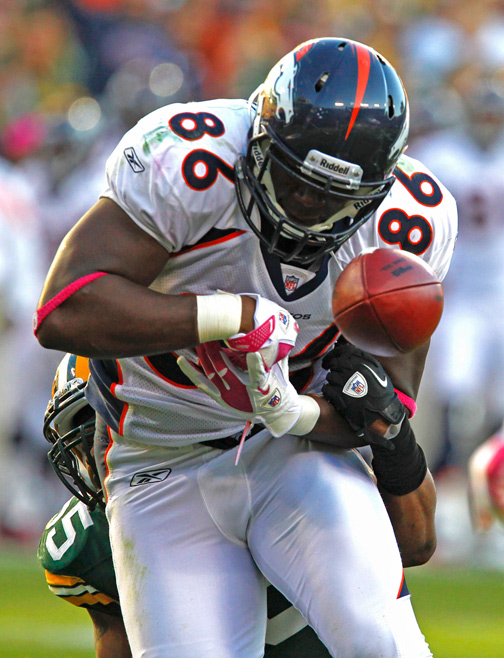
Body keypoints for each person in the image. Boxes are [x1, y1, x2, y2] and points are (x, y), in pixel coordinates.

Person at [35, 37, 458, 657]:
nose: (307, 207)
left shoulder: (409, 224)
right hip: (159, 459)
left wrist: (295, 411)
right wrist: (227, 316)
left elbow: (382, 408)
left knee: (383, 643)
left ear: (377, 192)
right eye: (294, 179)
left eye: (333, 196)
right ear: (258, 137)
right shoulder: (190, 159)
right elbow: (64, 308)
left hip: (295, 452)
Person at [39, 354, 426, 658]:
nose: (99, 450)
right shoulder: (86, 545)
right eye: (85, 437)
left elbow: (418, 543)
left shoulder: (295, 456)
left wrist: (393, 437)